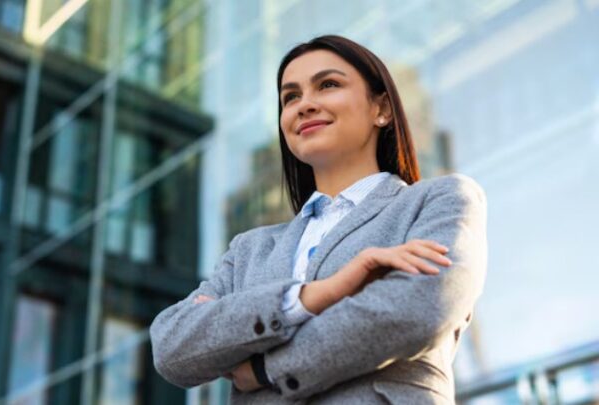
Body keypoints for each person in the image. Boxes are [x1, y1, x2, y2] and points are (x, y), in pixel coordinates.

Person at [150, 35, 487, 404]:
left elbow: (417, 310)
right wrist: (309, 297)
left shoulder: (440, 200)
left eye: (328, 85)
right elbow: (172, 348)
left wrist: (263, 368)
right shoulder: (249, 249)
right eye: (290, 97)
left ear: (383, 109)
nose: (304, 105)